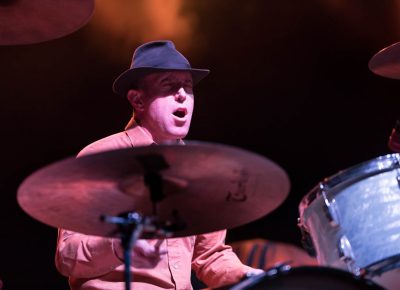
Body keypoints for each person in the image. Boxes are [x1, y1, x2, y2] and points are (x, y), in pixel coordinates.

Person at [55, 40, 263, 290]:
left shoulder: (200, 170)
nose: (182, 95)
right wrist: (121, 244)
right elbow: (67, 256)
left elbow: (210, 256)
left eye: (188, 87)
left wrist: (256, 278)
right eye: (169, 85)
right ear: (137, 100)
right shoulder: (100, 158)